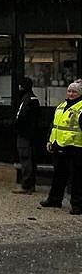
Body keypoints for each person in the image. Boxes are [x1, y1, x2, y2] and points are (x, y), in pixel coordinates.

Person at [40, 80, 82, 214]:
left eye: (74, 91)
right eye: (69, 91)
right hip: (59, 145)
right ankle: (54, 199)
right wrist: (50, 140)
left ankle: (77, 205)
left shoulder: (81, 107)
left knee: (77, 178)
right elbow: (54, 126)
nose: (71, 93)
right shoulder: (61, 106)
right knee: (58, 175)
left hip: (75, 146)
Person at [12, 77, 40, 194]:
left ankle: (26, 185)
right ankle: (31, 184)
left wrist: (15, 125)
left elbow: (21, 117)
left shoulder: (25, 99)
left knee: (25, 159)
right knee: (31, 159)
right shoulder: (34, 98)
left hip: (25, 134)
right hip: (32, 133)